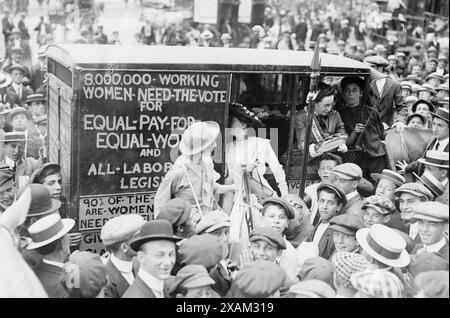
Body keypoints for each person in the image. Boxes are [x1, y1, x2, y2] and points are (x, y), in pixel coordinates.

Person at [154, 121, 234, 216]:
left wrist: (234, 187)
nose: (215, 145)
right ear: (201, 148)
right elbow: (160, 204)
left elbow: (210, 188)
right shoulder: (178, 171)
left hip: (208, 221)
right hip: (188, 226)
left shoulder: (205, 163)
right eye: (211, 143)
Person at [225, 103, 288, 204]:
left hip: (259, 196)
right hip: (235, 198)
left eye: (232, 121)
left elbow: (277, 170)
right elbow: (228, 178)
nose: (229, 124)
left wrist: (285, 195)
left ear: (243, 123)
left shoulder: (261, 144)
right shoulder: (228, 148)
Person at [338, 77, 386, 178]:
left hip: (376, 156)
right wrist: (354, 132)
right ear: (343, 94)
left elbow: (381, 133)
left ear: (360, 93)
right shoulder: (340, 115)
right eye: (347, 90)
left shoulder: (371, 111)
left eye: (355, 90)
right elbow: (344, 142)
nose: (350, 94)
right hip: (355, 158)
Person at [122, 220, 182, 298]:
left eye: (171, 254)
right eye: (160, 255)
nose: (168, 262)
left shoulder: (161, 286)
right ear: (141, 257)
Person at [26, 213, 75, 298]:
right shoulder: (67, 281)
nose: (69, 239)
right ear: (63, 243)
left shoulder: (30, 274)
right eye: (67, 235)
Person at [294, 84, 347, 158]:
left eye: (331, 105)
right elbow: (302, 142)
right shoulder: (301, 116)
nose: (329, 109)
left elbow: (340, 129)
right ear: (314, 103)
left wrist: (342, 142)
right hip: (308, 160)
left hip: (330, 158)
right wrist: (311, 150)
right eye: (326, 105)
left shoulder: (335, 115)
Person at [100, 214, 145, 298]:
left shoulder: (139, 264)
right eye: (138, 238)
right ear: (124, 247)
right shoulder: (105, 283)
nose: (144, 242)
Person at [260, 197, 300, 282]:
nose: (276, 221)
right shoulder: (256, 244)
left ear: (287, 223)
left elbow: (286, 289)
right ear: (262, 219)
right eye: (271, 216)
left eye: (281, 217)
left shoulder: (289, 254)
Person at [400, 108, 449, 175]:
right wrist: (408, 168)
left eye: (440, 126)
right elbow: (423, 160)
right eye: (434, 124)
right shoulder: (433, 141)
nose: (435, 129)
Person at [364, 56, 408, 129]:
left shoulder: (394, 85)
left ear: (380, 69)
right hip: (369, 128)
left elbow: (402, 107)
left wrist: (400, 121)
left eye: (371, 67)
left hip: (388, 129)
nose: (368, 70)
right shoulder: (365, 84)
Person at [307, 184, 347, 260]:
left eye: (330, 203)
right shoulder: (317, 225)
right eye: (322, 201)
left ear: (339, 206)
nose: (324, 206)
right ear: (317, 202)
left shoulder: (337, 232)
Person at [304, 153, 342, 226]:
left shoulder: (340, 192)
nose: (325, 171)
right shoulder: (309, 190)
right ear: (318, 172)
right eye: (322, 168)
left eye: (330, 168)